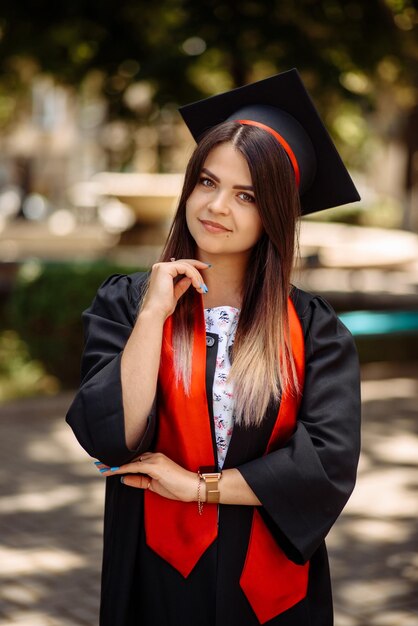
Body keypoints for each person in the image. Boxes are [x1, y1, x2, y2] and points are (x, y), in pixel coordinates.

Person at [66, 68, 361, 626]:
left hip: (271, 588)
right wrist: (155, 314)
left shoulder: (314, 328)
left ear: (275, 211)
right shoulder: (128, 302)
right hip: (155, 575)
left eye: (245, 194)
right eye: (207, 182)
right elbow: (108, 437)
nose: (217, 206)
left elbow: (325, 466)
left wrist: (198, 487)